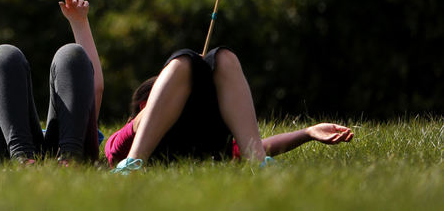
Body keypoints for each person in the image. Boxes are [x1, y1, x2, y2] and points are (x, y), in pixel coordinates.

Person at [106, 46, 354, 172]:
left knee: (223, 57)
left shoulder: (208, 138)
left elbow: (257, 145)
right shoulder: (121, 139)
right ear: (144, 105)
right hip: (147, 149)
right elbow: (137, 126)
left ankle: (259, 167)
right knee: (184, 61)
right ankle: (132, 166)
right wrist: (182, 77)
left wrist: (308, 132)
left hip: (204, 137)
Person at [0, 0, 104, 164]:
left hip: (74, 145)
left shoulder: (76, 127)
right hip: (9, 156)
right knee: (4, 56)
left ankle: (69, 157)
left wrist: (80, 23)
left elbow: (91, 92)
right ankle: (21, 158)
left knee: (71, 54)